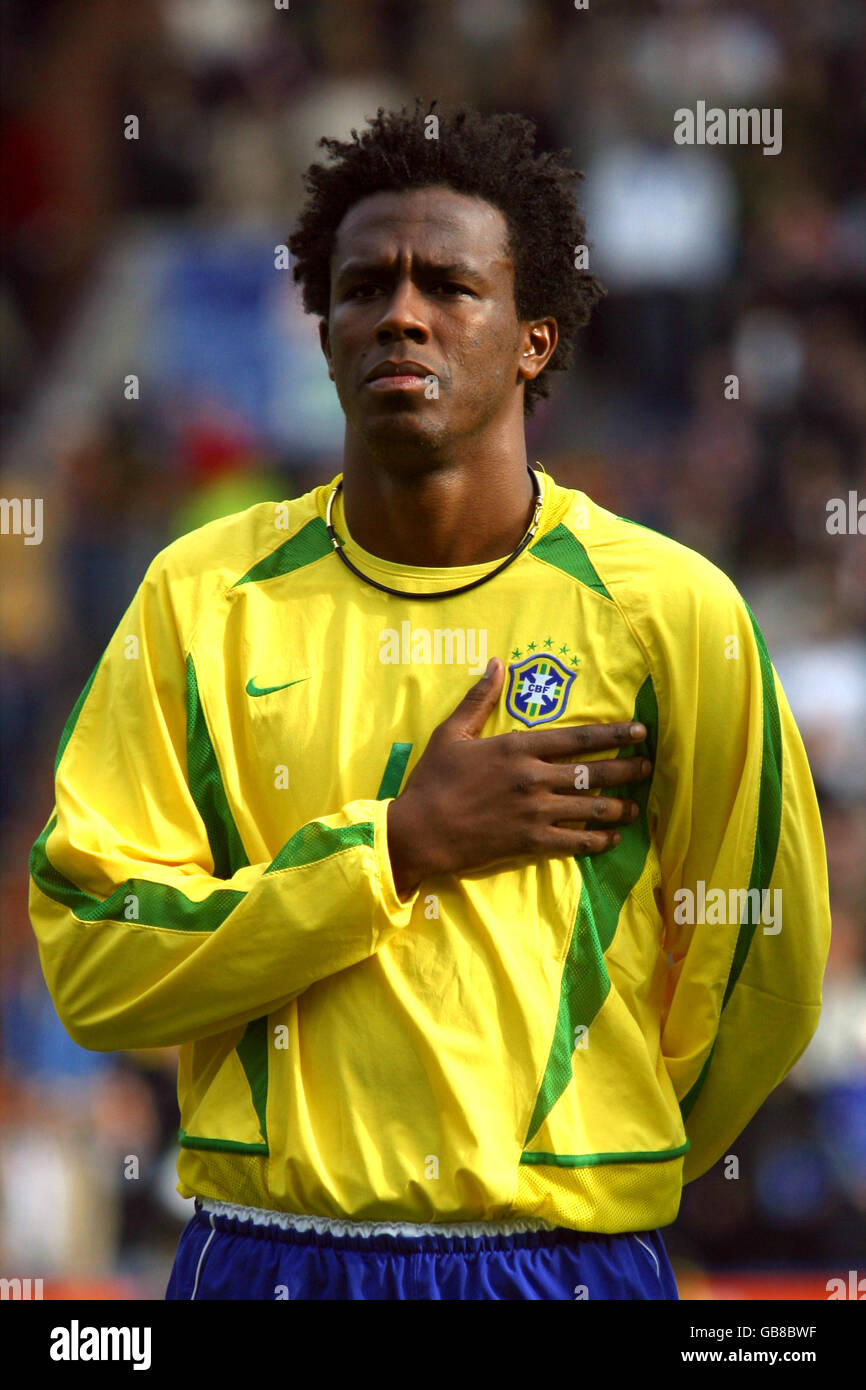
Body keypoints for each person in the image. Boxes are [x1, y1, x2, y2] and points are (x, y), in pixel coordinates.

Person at [28, 103, 831, 1301]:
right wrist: (393, 849)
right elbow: (95, 953)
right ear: (326, 329)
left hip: (568, 1259)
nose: (400, 312)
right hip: (266, 1250)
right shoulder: (202, 597)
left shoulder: (673, 612)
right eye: (363, 287)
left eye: (449, 285)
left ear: (533, 338)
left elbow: (768, 965)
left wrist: (601, 1150)